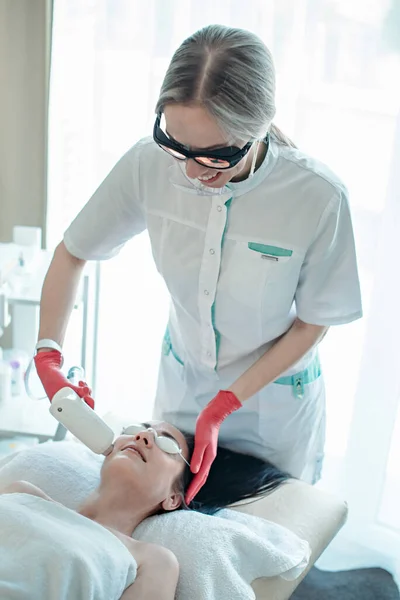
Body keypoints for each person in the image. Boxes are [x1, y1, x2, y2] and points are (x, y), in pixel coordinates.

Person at [34, 24, 362, 506]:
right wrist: (48, 355)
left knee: (263, 536)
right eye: (177, 145)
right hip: (183, 391)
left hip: (271, 406)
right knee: (165, 519)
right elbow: (73, 251)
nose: (190, 171)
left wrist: (227, 403)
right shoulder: (149, 166)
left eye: (214, 157)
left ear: (258, 127)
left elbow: (314, 323)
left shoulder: (316, 197)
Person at [0, 421, 290, 599]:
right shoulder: (21, 491)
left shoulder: (152, 561)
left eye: (167, 443)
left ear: (174, 499)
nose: (143, 436)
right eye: (135, 430)